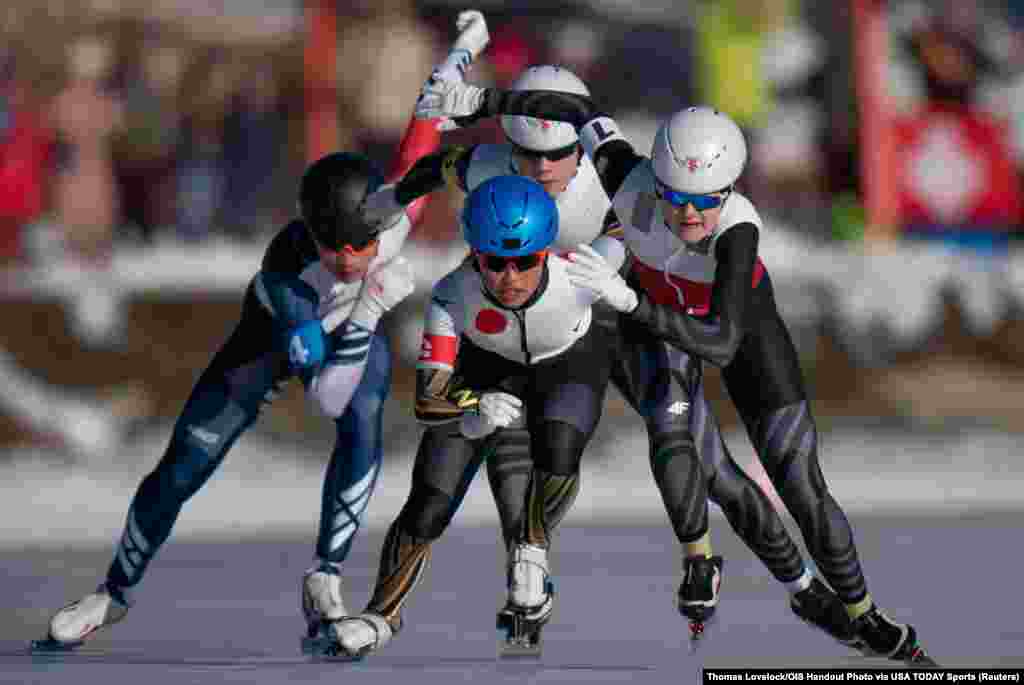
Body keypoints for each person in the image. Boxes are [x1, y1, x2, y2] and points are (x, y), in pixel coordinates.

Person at [415, 76, 935, 664]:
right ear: (654, 181)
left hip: (732, 335)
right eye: (674, 196)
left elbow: (721, 340)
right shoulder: (626, 175)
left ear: (730, 190)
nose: (687, 212)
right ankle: (742, 571)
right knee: (683, 443)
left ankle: (864, 614)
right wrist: (483, 102)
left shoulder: (738, 228)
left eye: (705, 199)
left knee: (798, 481)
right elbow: (578, 107)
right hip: (651, 324)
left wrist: (629, 299)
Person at [36, 152, 416, 649]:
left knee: (365, 421)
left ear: (382, 223)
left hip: (346, 329)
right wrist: (368, 307)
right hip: (274, 343)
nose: (347, 260)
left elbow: (423, 155)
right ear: (310, 235)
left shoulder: (398, 216)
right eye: (330, 246)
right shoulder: (287, 274)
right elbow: (326, 395)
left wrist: (450, 102)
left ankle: (326, 576)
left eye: (360, 244)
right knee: (183, 466)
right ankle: (114, 593)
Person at [329, 174, 620, 657]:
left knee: (557, 449)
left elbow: (629, 221)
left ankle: (531, 560)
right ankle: (381, 616)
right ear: (473, 254)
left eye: (525, 260)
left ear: (546, 251)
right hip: (482, 378)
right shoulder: (452, 295)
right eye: (494, 262)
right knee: (429, 503)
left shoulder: (579, 276)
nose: (510, 277)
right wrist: (471, 408)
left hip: (566, 367)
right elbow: (428, 397)